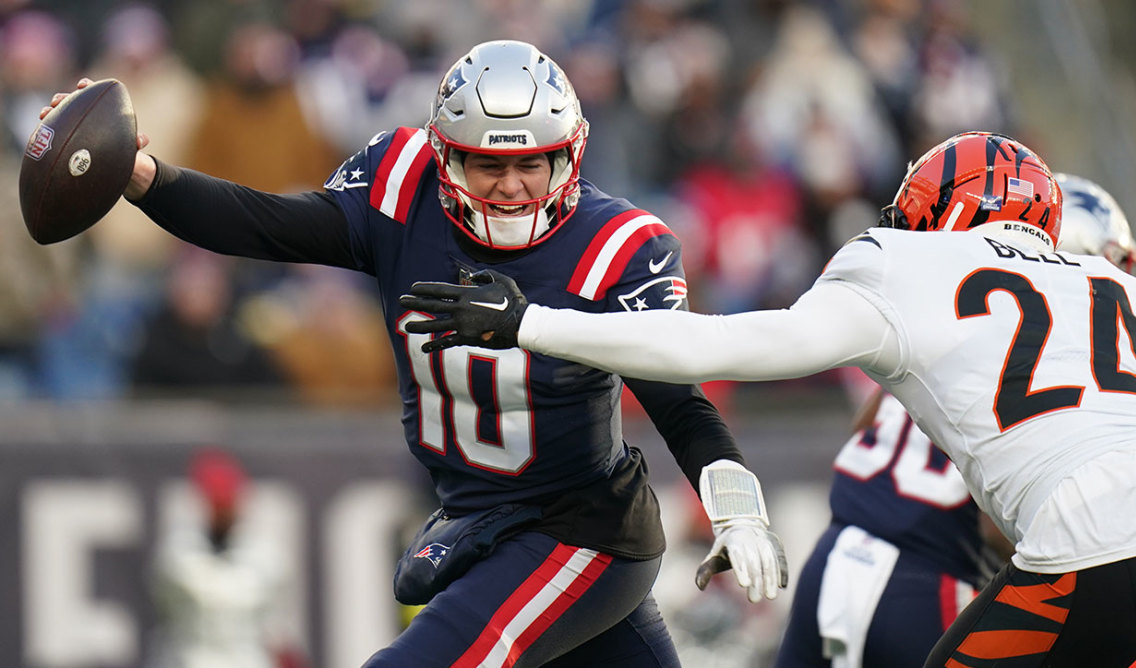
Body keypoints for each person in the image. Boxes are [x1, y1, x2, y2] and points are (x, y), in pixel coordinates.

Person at [44, 40, 787, 668]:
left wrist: (737, 511)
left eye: (534, 163)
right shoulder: (401, 192)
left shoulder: (618, 246)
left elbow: (678, 398)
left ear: (572, 153)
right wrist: (145, 180)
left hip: (580, 535)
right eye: (486, 166)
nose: (512, 187)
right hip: (474, 520)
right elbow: (266, 225)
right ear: (441, 156)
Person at [402, 131, 1136, 666]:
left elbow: (716, 345)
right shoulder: (1111, 286)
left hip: (1087, 531)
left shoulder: (905, 265)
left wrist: (535, 322)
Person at [775, 172, 1136, 668]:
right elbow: (1008, 525)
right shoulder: (1059, 355)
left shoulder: (953, 316)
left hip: (836, 553)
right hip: (933, 579)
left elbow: (866, 428)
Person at [148, 448, 308, 668]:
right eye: (218, 502)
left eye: (228, 501)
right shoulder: (179, 555)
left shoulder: (265, 557)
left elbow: (276, 630)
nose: (224, 510)